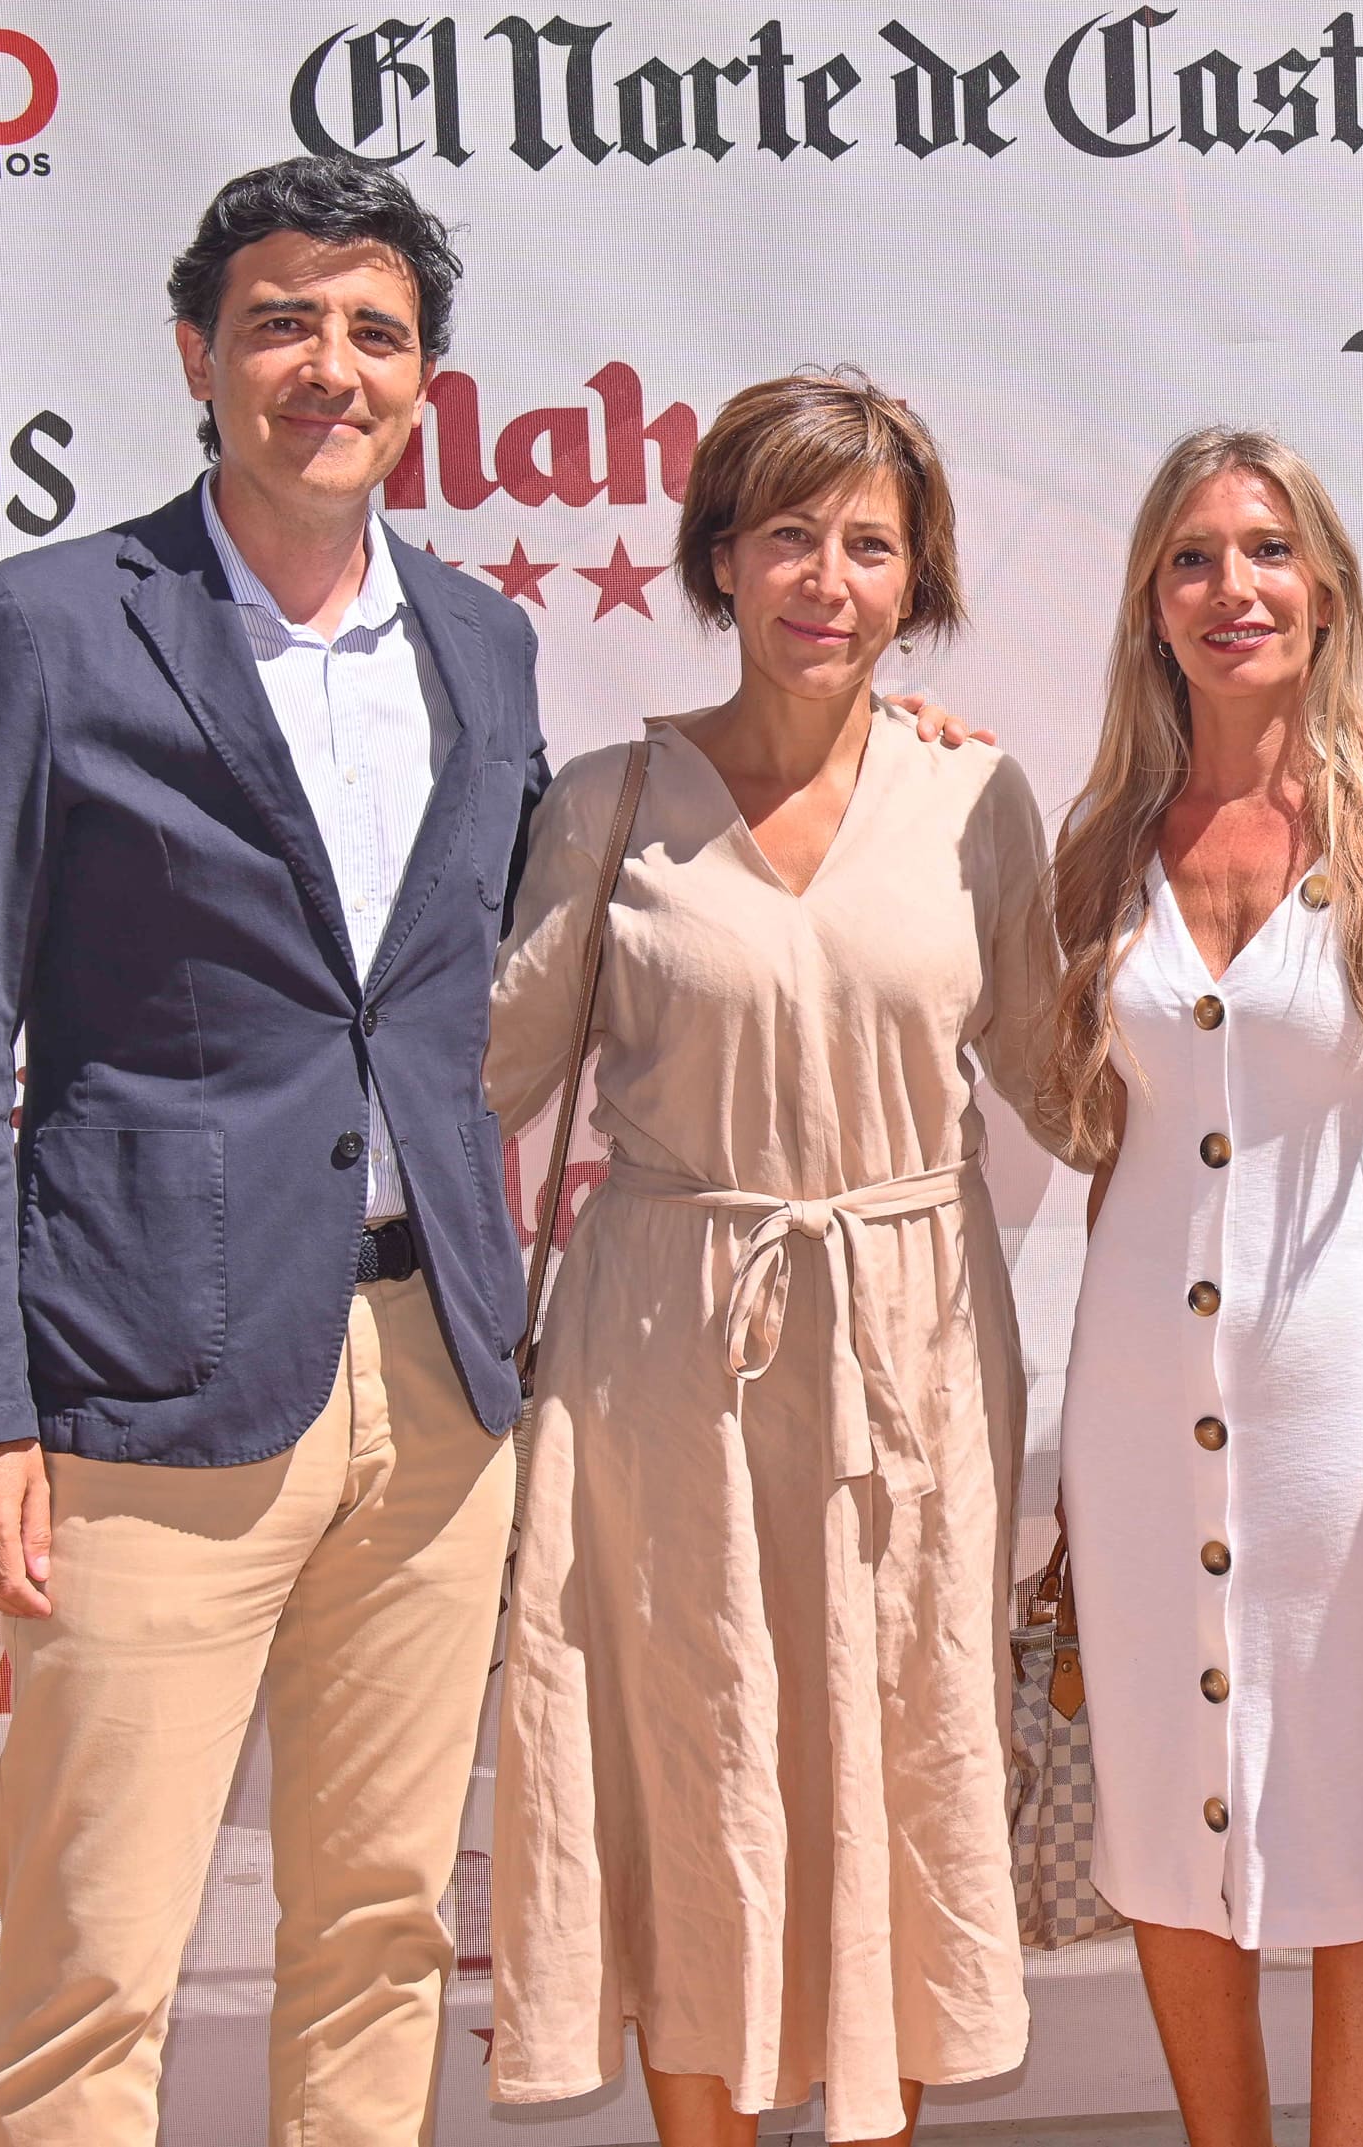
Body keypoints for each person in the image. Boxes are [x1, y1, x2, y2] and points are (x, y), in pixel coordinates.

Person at [0, 158, 542, 2144]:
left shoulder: (485, 643)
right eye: (281, 321)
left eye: (371, 332)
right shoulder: (48, 629)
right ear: (199, 352)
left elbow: (448, 998)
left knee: (379, 1933)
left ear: (425, 379)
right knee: (97, 1965)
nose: (324, 367)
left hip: (434, 1386)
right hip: (138, 1386)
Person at [483, 370, 1066, 2147]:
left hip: (913, 1349)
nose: (829, 576)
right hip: (664, 1357)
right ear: (719, 560)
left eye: (871, 544)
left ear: (919, 581)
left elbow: (1071, 1075)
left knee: (890, 1750)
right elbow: (484, 1071)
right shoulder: (608, 800)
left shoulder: (979, 800)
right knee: (689, 1763)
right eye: (790, 535)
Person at [1043, 427, 1363, 2147]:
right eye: (1190, 556)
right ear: (1151, 606)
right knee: (1171, 1828)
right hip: (1134, 1418)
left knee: (1359, 1836)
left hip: (1351, 1415)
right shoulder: (1098, 844)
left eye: (1263, 551)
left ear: (1324, 591)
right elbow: (1094, 1149)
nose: (1229, 586)